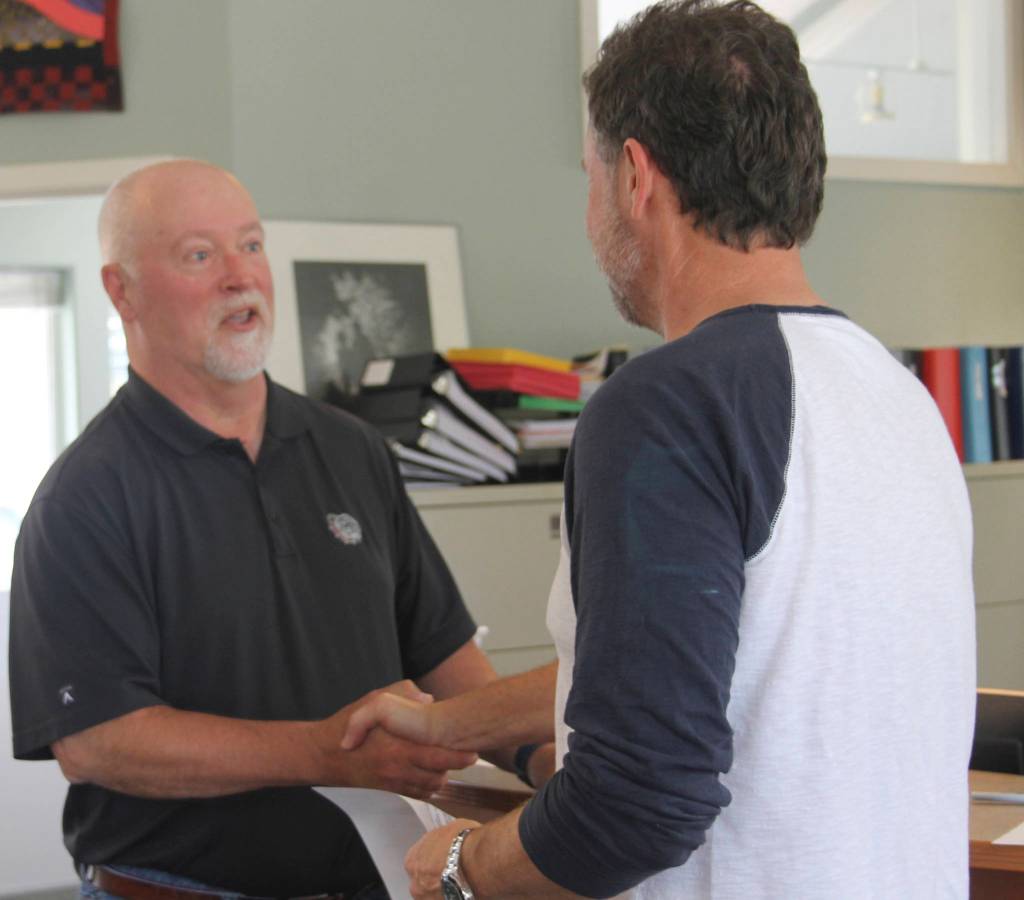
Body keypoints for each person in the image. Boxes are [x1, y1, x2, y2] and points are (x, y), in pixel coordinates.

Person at [343, 2, 978, 897]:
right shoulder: (900, 399)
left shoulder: (668, 406)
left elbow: (637, 800)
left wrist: (460, 868)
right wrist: (451, 725)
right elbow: (720, 661)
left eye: (592, 176)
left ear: (636, 175)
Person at [7, 159, 554, 898]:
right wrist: (325, 755)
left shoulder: (350, 448)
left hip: (382, 881)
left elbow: (444, 653)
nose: (240, 276)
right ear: (121, 290)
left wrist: (540, 754)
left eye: (252, 245)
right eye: (200, 255)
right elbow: (100, 742)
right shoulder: (87, 495)